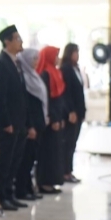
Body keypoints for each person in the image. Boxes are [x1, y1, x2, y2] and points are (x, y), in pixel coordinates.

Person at [0, 25, 30, 211]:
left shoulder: (16, 62)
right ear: (7, 42)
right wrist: (5, 121)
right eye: (17, 39)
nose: (21, 42)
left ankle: (9, 192)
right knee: (5, 161)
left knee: (15, 160)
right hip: (9, 123)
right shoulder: (1, 64)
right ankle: (0, 195)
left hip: (19, 121)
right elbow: (1, 97)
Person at [14, 48, 48, 201]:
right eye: (33, 59)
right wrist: (30, 126)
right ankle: (21, 189)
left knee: (31, 158)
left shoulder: (34, 76)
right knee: (25, 159)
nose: (36, 62)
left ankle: (28, 188)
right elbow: (26, 106)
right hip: (30, 124)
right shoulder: (24, 78)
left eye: (37, 59)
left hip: (39, 123)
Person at [35, 46, 67, 194]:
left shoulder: (56, 72)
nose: (57, 59)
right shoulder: (45, 74)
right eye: (55, 55)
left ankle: (52, 181)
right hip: (50, 120)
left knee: (56, 152)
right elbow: (47, 99)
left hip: (57, 117)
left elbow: (60, 98)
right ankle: (44, 182)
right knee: (47, 151)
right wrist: (54, 118)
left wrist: (61, 117)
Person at [60, 43, 85, 184]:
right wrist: (70, 111)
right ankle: (65, 172)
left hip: (78, 112)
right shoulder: (66, 69)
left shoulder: (76, 68)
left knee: (73, 143)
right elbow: (67, 93)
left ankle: (69, 171)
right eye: (75, 52)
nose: (77, 55)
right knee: (68, 143)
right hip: (71, 113)